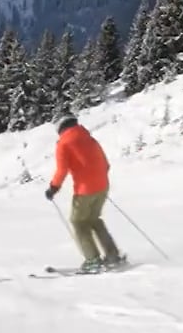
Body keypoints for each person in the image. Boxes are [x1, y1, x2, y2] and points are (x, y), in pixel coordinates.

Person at [45, 114, 125, 272]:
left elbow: (62, 170)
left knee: (79, 222)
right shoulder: (88, 137)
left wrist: (53, 188)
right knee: (94, 219)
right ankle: (113, 256)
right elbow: (105, 162)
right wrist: (99, 179)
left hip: (85, 190)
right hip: (102, 186)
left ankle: (93, 259)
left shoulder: (63, 143)